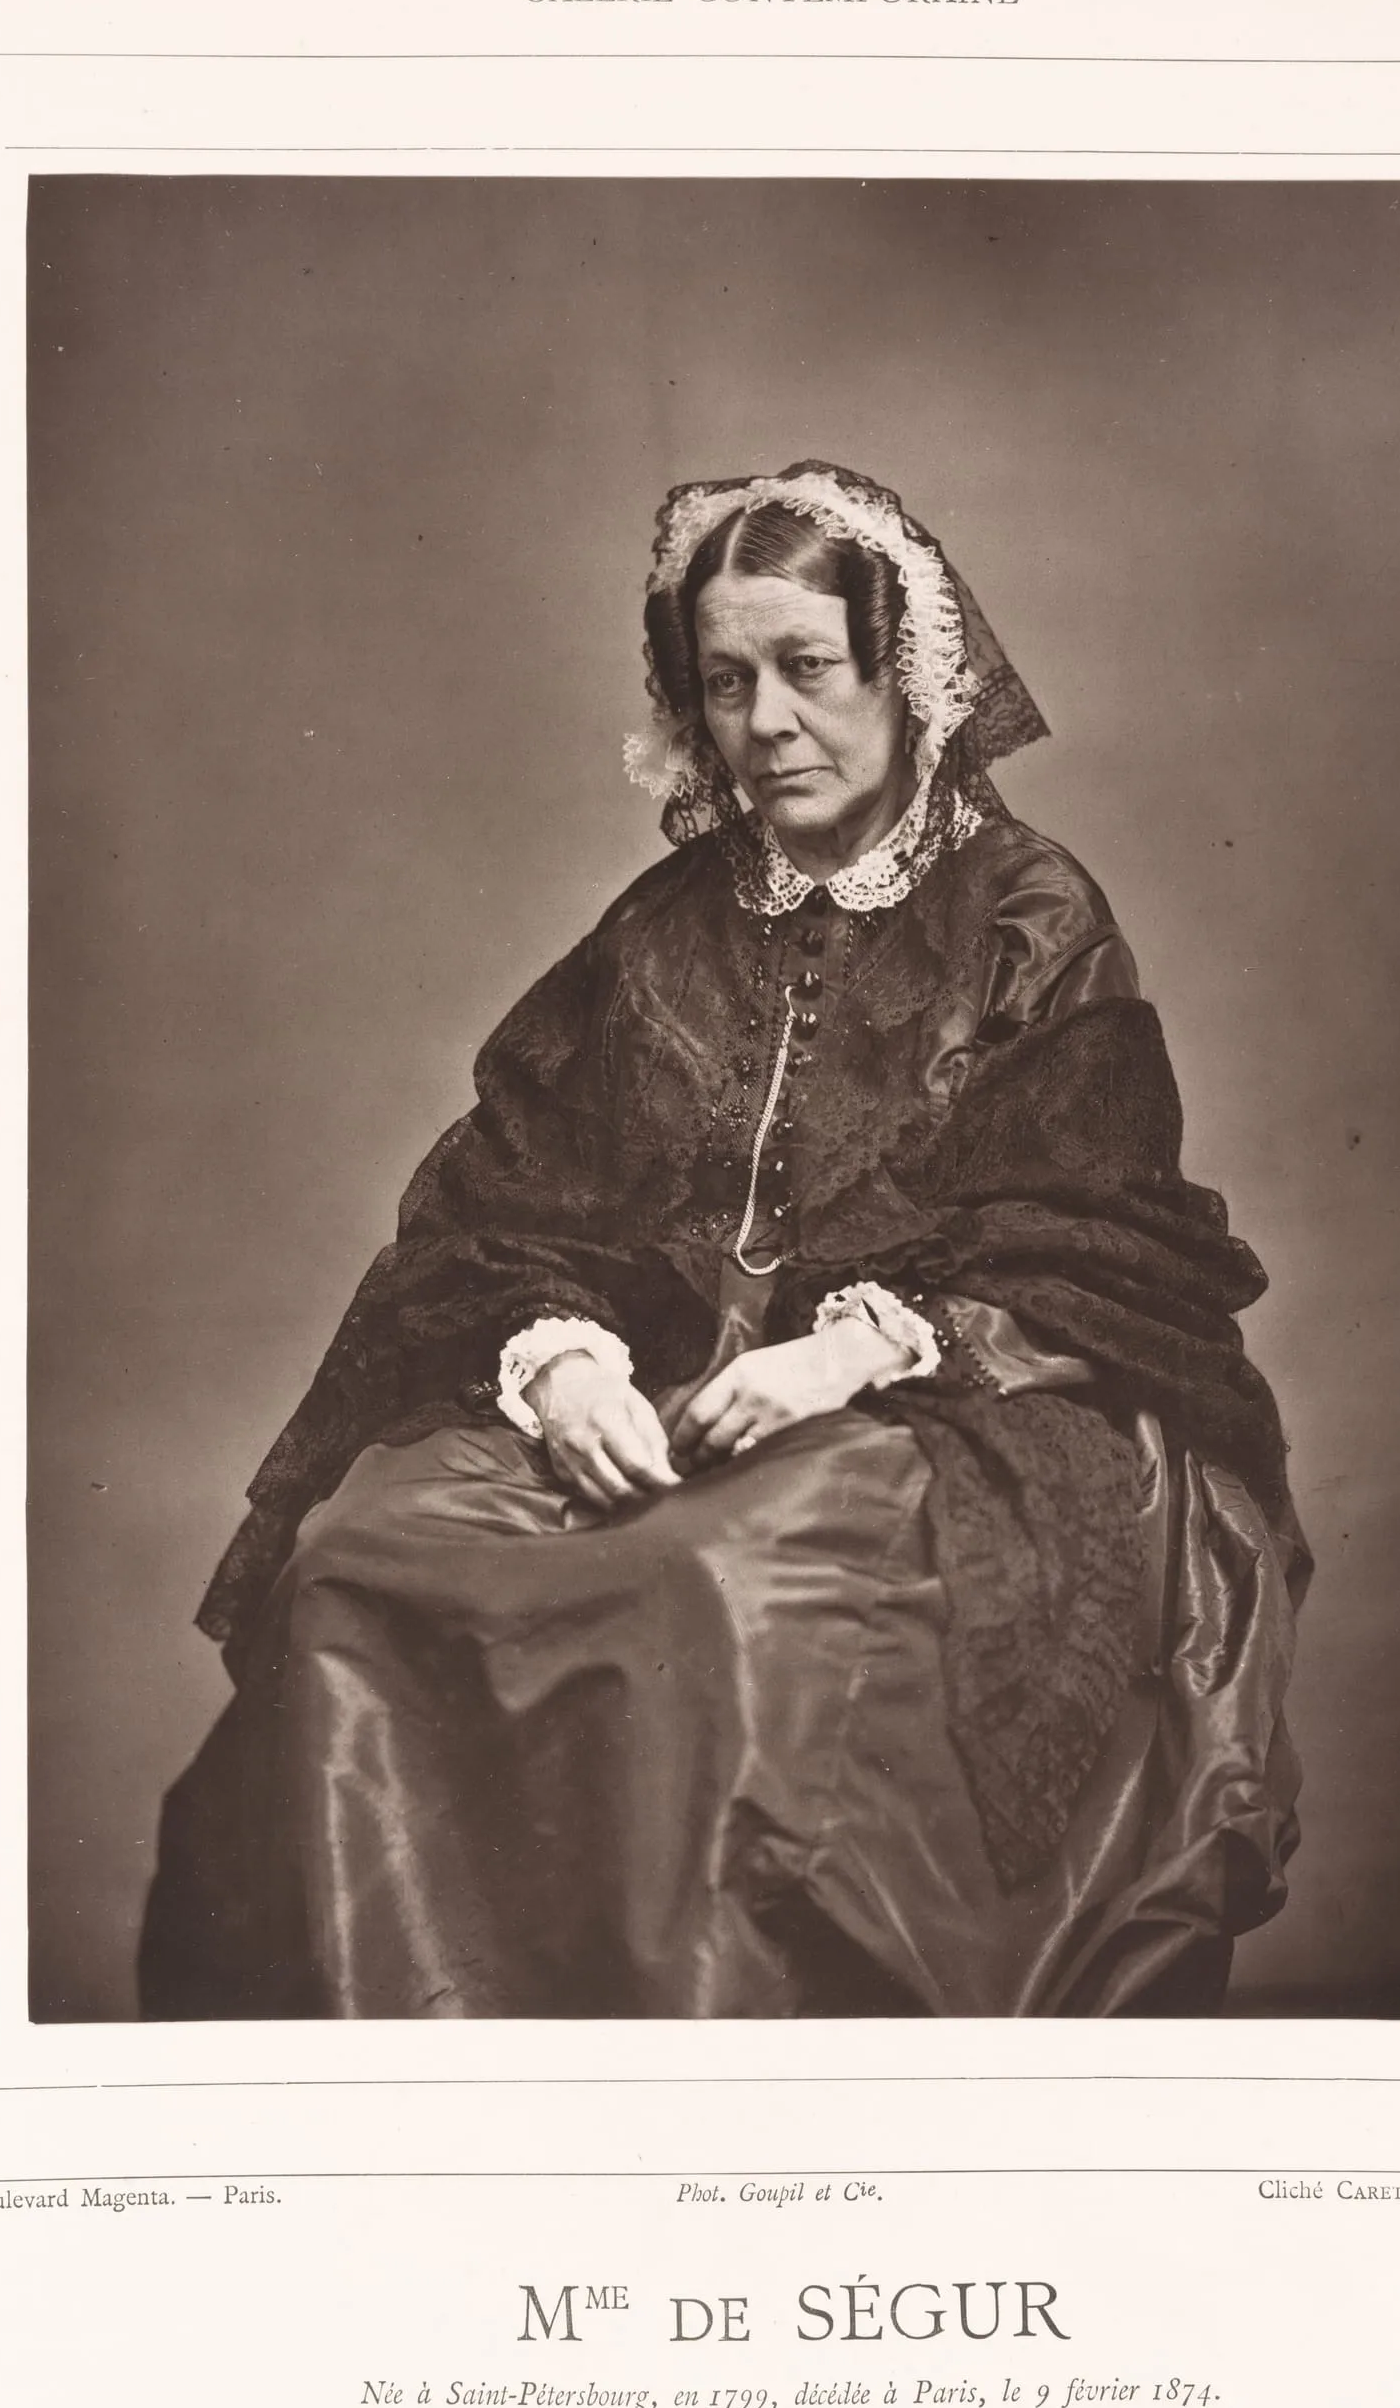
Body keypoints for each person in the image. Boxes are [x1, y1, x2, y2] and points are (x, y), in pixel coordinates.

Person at [138, 458, 1310, 2021]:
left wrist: (847, 1355)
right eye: (728, 681)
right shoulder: (658, 927)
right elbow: (509, 1200)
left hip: (947, 1413)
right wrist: (563, 1366)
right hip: (657, 1397)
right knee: (356, 1565)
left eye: (808, 668)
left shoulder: (1029, 914)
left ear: (905, 674)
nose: (767, 722)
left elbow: (1089, 1240)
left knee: (706, 1594)